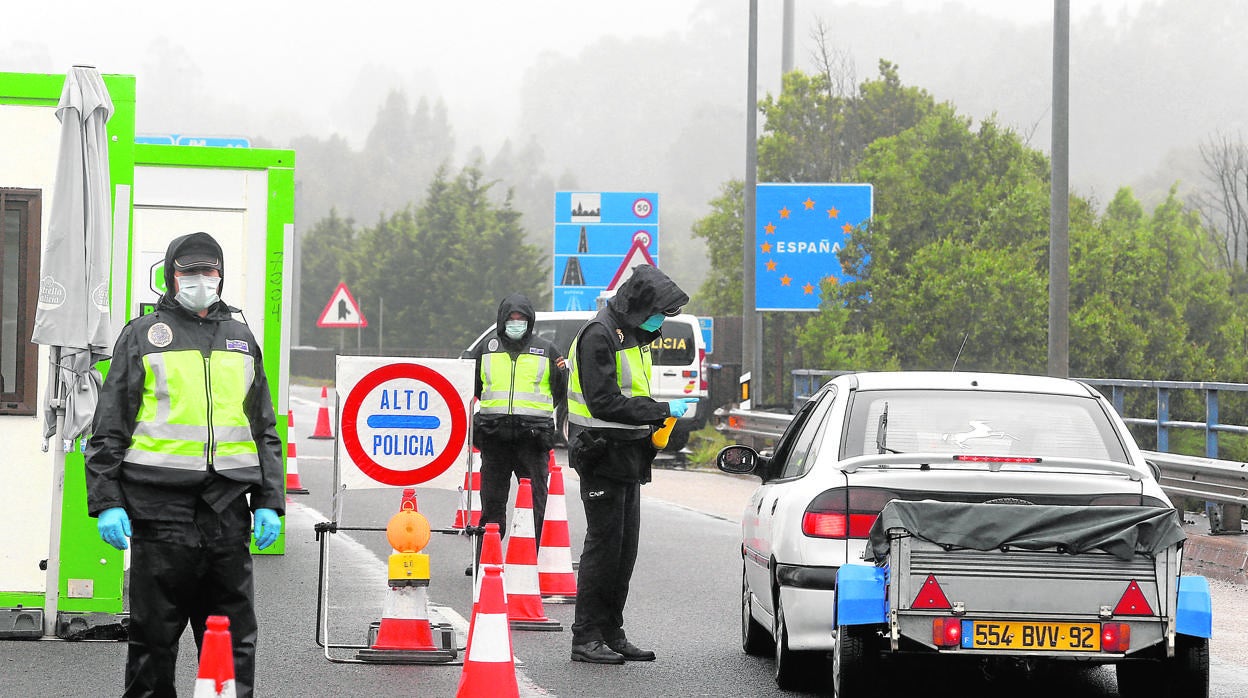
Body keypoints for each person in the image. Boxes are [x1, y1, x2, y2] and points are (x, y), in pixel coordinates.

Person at [85, 231, 285, 698]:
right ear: (171, 275)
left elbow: (263, 428)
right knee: (153, 643)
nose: (200, 280)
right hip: (159, 511)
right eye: (189, 271)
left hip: (227, 511)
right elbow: (110, 426)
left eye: (208, 271)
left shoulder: (240, 337)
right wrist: (106, 501)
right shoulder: (143, 336)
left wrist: (271, 501)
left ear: (221, 274)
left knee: (235, 643)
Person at [566, 265, 692, 664]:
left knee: (624, 547)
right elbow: (603, 401)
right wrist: (660, 409)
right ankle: (585, 637)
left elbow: (629, 390)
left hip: (628, 451)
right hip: (600, 451)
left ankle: (611, 631)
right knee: (603, 547)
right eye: (659, 312)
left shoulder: (634, 333)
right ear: (639, 304)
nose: (661, 321)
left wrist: (653, 421)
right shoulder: (598, 334)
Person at [470, 293, 568, 571]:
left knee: (535, 503)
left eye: (521, 319)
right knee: (491, 503)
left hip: (532, 441)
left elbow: (559, 390)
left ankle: (528, 562)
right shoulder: (486, 350)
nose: (516, 323)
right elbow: (474, 386)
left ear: (530, 321)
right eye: (511, 318)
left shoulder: (548, 351)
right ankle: (486, 560)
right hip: (495, 439)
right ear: (502, 320)